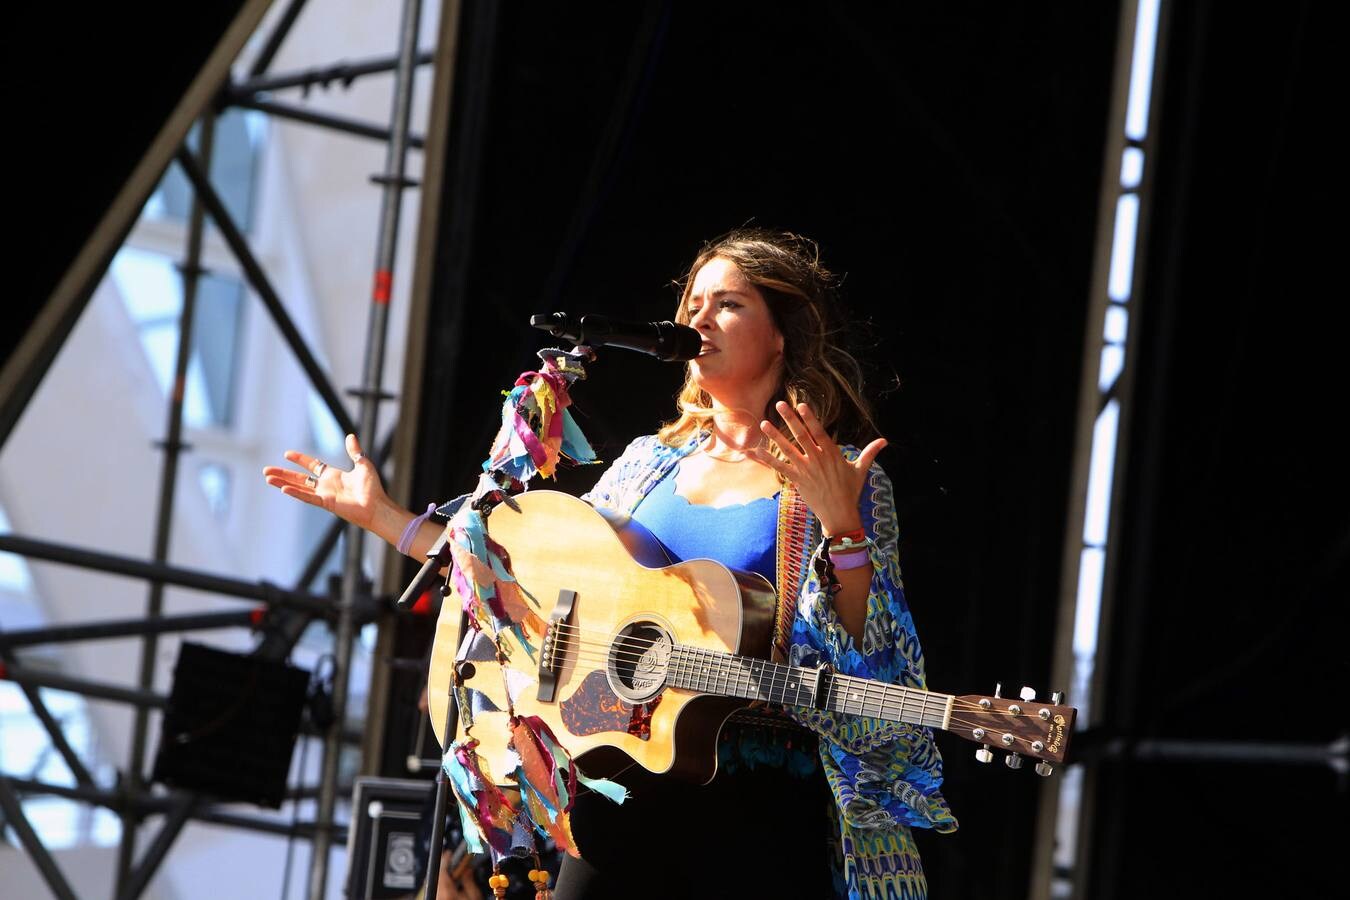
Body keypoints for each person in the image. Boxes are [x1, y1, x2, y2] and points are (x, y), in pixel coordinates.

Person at [263, 229, 956, 899]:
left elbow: (871, 660)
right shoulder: (646, 466)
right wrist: (384, 516)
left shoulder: (841, 477)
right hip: (623, 789)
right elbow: (520, 582)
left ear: (782, 334)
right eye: (692, 303)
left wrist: (843, 528)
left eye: (728, 303)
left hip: (759, 803)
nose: (698, 317)